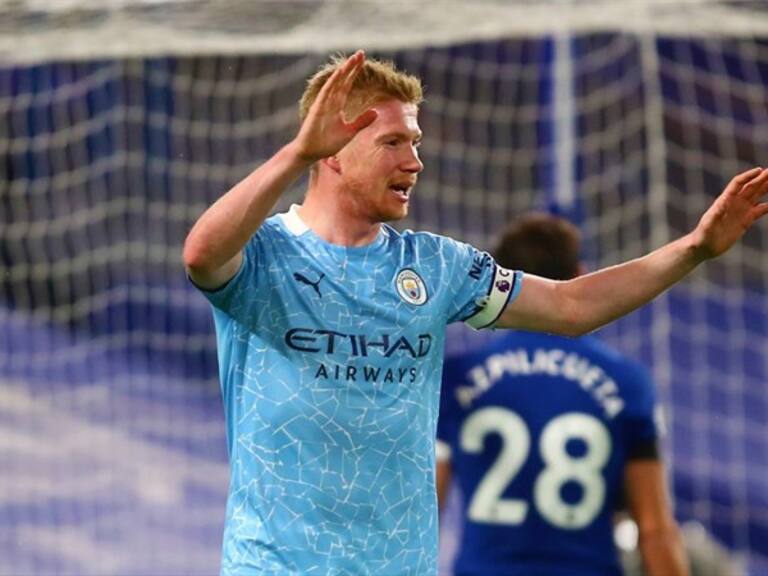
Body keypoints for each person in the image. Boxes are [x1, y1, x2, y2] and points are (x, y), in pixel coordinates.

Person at [183, 50, 768, 575]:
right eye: (393, 143)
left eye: (416, 143)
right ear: (333, 151)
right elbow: (201, 254)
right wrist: (295, 153)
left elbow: (570, 307)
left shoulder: (437, 266)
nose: (414, 162)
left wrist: (692, 249)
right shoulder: (264, 255)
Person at [435, 213, 688, 576]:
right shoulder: (627, 381)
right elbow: (654, 529)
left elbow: (426, 509)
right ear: (581, 277)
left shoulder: (458, 377)